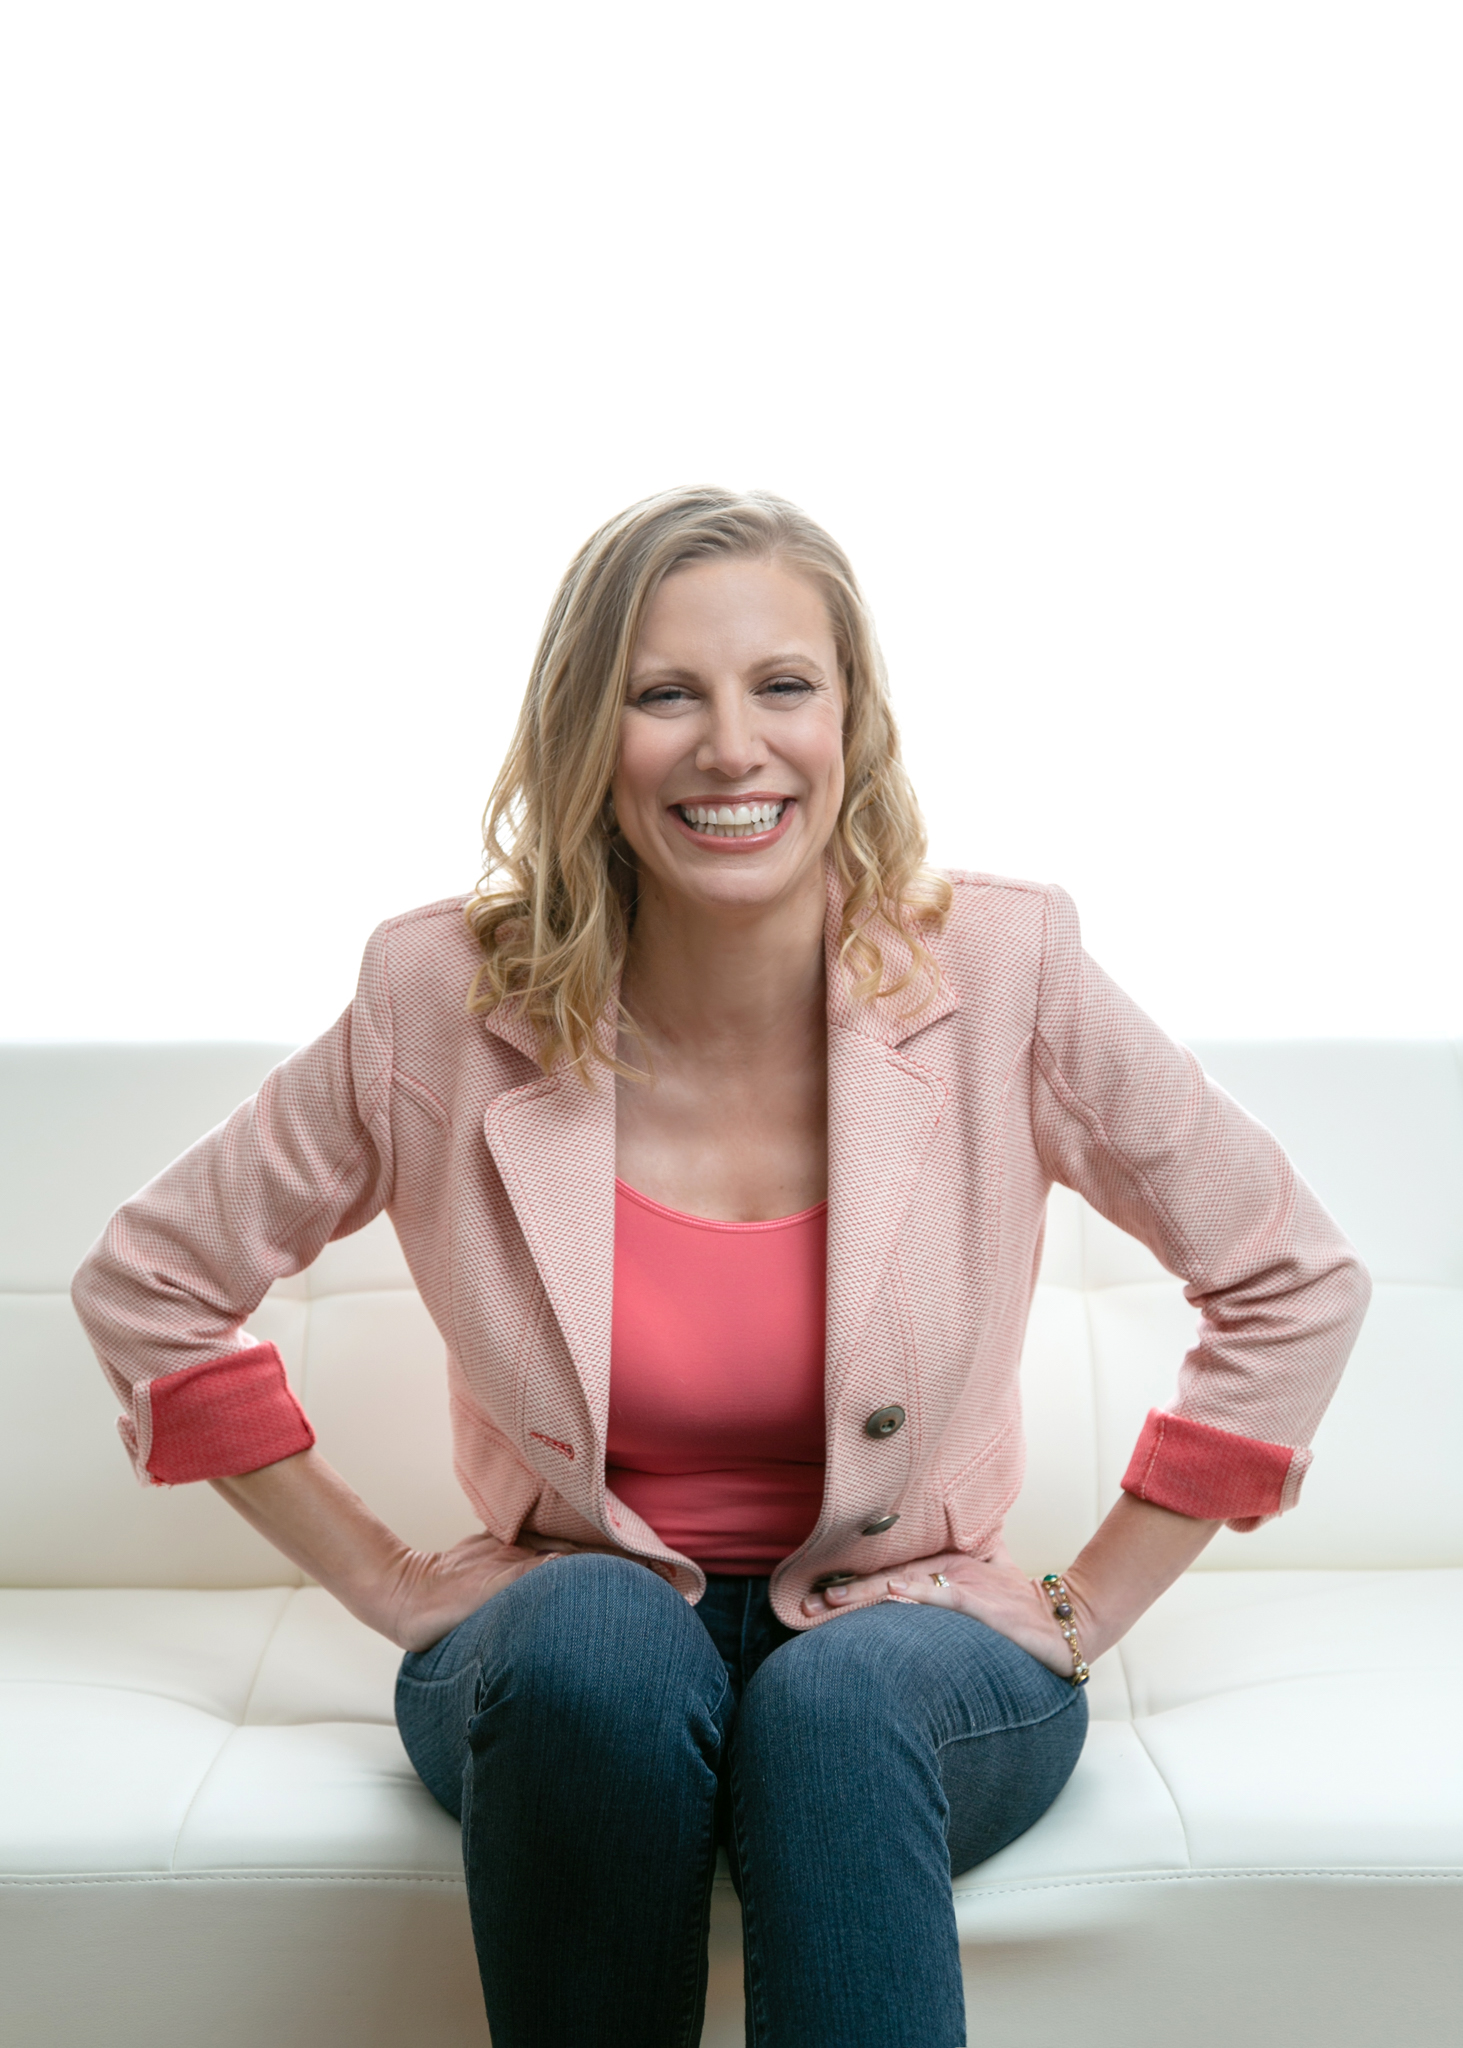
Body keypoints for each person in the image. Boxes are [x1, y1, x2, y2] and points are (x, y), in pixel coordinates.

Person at [72, 487, 1370, 2048]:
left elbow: (1291, 1276)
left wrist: (1094, 1601)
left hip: (909, 1641)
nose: (732, 748)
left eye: (783, 686)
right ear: (585, 733)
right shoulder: (438, 1002)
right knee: (594, 1641)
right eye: (665, 692)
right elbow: (152, 1284)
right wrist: (381, 1577)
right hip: (573, 1638)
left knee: (836, 1708)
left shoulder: (1008, 974)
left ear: (852, 720)